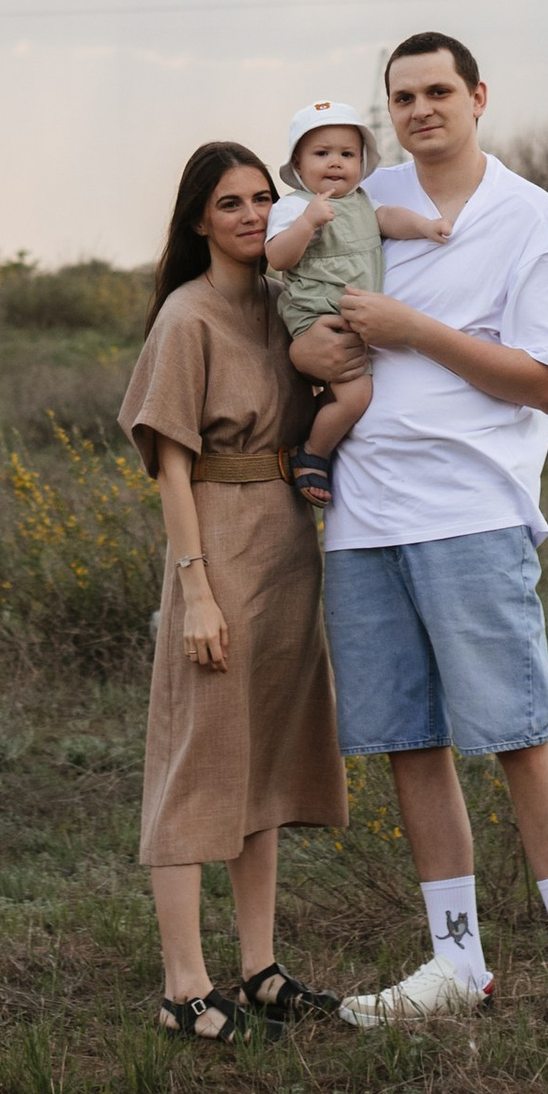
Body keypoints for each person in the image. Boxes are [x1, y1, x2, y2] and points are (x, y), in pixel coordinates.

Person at [288, 30, 548, 1030]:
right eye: (403, 96)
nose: (421, 109)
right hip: (358, 515)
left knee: (519, 734)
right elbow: (300, 309)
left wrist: (415, 332)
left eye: (439, 91)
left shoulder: (525, 216)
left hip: (470, 511)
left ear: (478, 97)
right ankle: (455, 965)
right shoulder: (362, 204)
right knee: (408, 742)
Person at [119, 140, 349, 1041]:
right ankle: (184, 986)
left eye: (263, 199)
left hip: (288, 543)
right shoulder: (188, 316)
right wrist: (196, 590)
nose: (254, 216)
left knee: (263, 762)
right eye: (231, 204)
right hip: (215, 539)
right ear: (196, 221)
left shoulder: (283, 303)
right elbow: (171, 465)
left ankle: (258, 969)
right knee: (196, 762)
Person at [264, 94, 450, 510]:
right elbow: (277, 257)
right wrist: (307, 223)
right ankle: (313, 452)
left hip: (351, 318)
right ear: (298, 166)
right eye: (322, 153)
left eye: (347, 154)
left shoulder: (364, 202)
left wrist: (425, 225)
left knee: (348, 389)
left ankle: (307, 422)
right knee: (356, 395)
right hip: (314, 315)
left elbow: (390, 220)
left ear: (362, 163)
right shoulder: (293, 207)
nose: (335, 163)